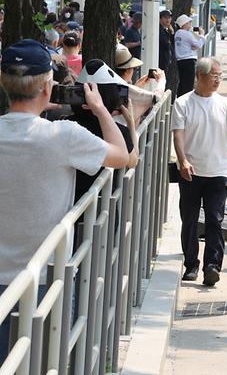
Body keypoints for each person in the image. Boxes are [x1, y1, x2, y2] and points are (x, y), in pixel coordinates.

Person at [0, 40, 128, 363]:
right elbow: (122, 155)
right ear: (48, 87)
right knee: (43, 363)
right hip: (44, 280)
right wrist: (100, 109)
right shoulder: (64, 135)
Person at [171, 57, 227, 286]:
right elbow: (178, 135)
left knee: (214, 219)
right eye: (214, 75)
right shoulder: (183, 103)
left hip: (217, 172)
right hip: (191, 171)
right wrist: (182, 161)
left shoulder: (225, 104)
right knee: (189, 220)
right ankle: (191, 264)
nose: (218, 80)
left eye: (220, 76)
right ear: (200, 76)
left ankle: (212, 266)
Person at [70, 60, 139, 202]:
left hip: (68, 207)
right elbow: (132, 161)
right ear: (110, 97)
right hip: (102, 209)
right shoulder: (119, 132)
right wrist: (131, 123)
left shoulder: (65, 125)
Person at [114, 44, 165, 124]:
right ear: (127, 70)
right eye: (133, 68)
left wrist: (137, 86)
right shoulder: (123, 87)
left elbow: (126, 94)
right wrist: (162, 81)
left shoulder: (115, 85)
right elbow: (156, 98)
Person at [174, 14, 205, 96]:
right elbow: (199, 45)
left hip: (180, 61)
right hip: (189, 60)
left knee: (182, 83)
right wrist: (202, 35)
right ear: (184, 24)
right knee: (189, 83)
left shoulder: (177, 33)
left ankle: (180, 98)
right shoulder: (187, 34)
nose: (191, 24)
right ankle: (186, 100)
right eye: (189, 22)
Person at [158, 9, 175, 74]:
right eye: (165, 17)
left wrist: (172, 33)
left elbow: (172, 44)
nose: (168, 19)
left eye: (169, 17)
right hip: (161, 61)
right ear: (160, 18)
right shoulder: (160, 30)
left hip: (166, 61)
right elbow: (166, 45)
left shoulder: (166, 30)